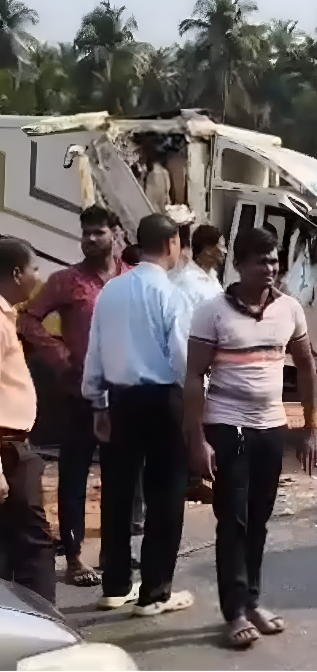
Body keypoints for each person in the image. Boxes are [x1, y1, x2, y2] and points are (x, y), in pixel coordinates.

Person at [185, 227, 317, 648]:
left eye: (275, 261)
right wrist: (196, 439)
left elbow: (306, 368)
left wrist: (311, 427)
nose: (271, 269)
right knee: (234, 520)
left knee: (259, 520)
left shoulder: (290, 310)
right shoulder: (213, 312)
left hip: (271, 427)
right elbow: (192, 376)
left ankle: (253, 600)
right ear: (239, 265)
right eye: (261, 261)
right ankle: (234, 611)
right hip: (227, 426)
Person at [83, 213, 194, 616]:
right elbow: (182, 357)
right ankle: (155, 592)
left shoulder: (110, 292)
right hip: (164, 399)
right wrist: (197, 404)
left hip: (119, 400)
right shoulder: (171, 293)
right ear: (172, 245)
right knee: (165, 496)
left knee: (117, 492)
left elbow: (94, 351)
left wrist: (97, 402)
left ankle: (114, 585)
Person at [19, 206, 130, 588]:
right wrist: (60, 354)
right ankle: (75, 556)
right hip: (79, 392)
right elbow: (29, 319)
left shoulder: (130, 279)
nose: (90, 240)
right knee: (74, 476)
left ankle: (115, 552)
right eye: (86, 233)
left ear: (117, 234)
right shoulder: (66, 280)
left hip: (124, 394)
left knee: (121, 475)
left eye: (98, 232)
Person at [0, 238, 53, 603]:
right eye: (35, 267)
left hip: (15, 447)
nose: (39, 275)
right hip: (7, 450)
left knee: (11, 545)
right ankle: (46, 630)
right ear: (17, 273)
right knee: (34, 544)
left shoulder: (7, 315)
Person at [171, 224, 225, 314]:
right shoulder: (187, 281)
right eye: (218, 246)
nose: (223, 251)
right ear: (205, 249)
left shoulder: (213, 279)